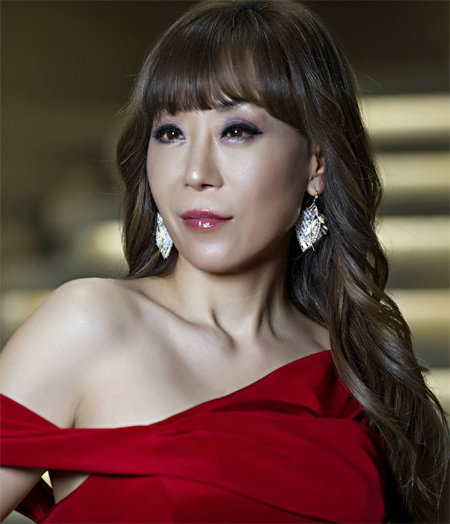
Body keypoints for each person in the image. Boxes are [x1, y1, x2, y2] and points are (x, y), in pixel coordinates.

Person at [1, 0, 448, 522]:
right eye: (170, 133)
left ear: (316, 163)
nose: (196, 173)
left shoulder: (354, 372)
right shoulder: (90, 324)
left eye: (237, 131)